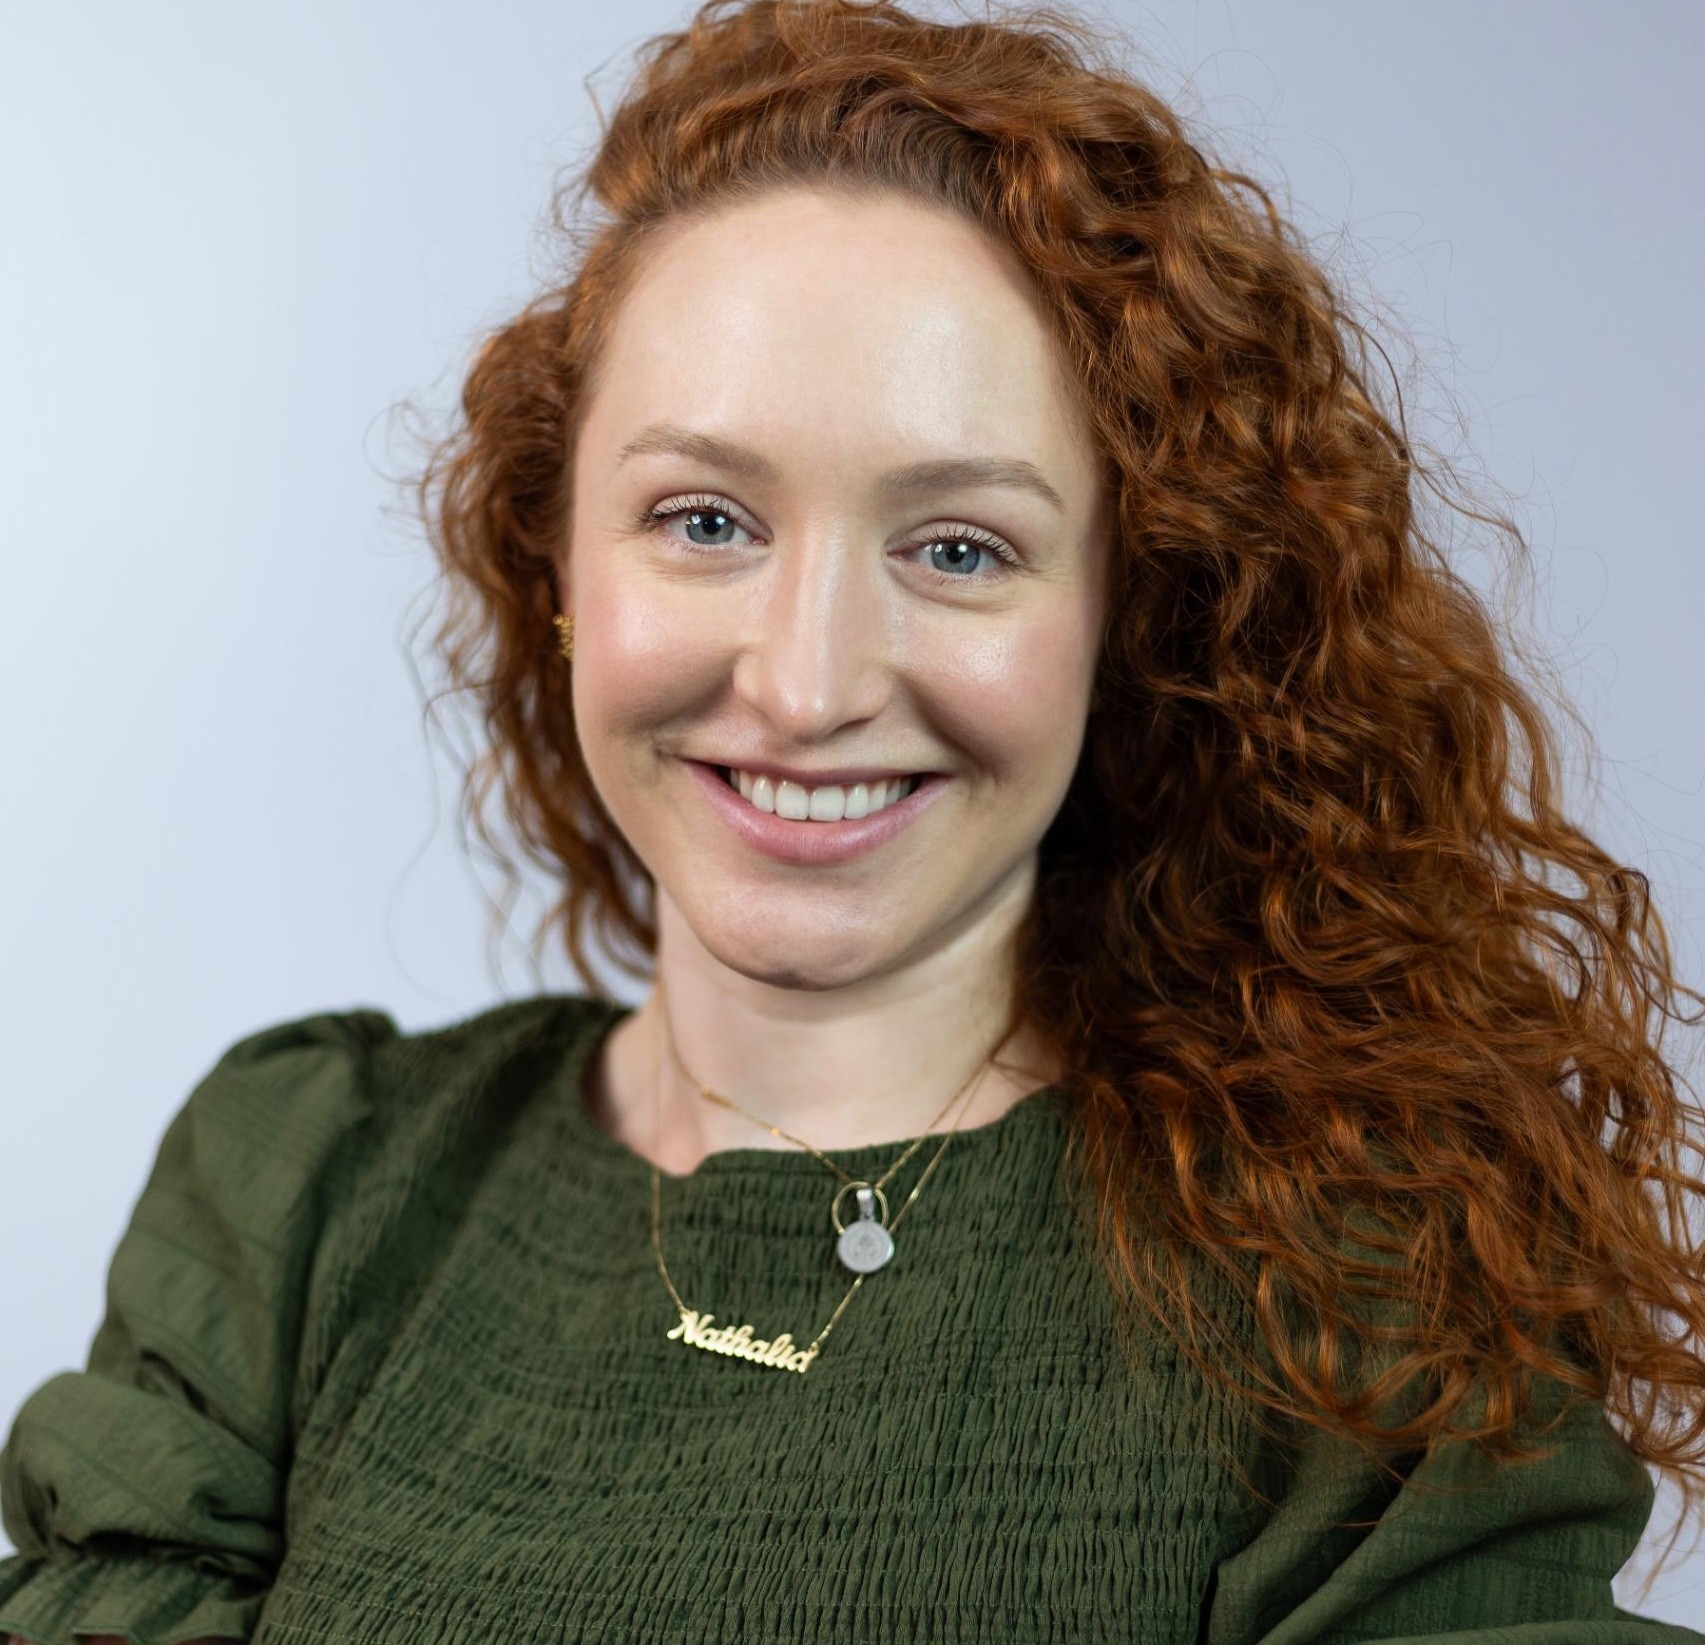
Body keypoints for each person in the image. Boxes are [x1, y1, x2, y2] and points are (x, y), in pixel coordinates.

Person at [5, 0, 1705, 1640]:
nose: (807, 683)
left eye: (957, 546)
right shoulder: (305, 1188)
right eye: (704, 519)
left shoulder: (1361, 1305)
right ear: (557, 564)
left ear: (1128, 615)